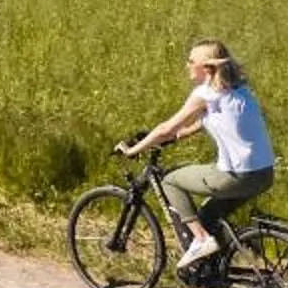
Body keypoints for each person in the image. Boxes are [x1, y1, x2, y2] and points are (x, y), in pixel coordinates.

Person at [118, 39, 276, 271]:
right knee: (208, 214)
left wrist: (132, 150)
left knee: (170, 180)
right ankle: (216, 267)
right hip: (263, 174)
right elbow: (212, 120)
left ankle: (201, 239)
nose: (187, 65)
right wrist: (181, 135)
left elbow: (165, 128)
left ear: (207, 67)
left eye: (191, 61)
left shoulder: (206, 94)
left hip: (235, 176)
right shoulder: (238, 89)